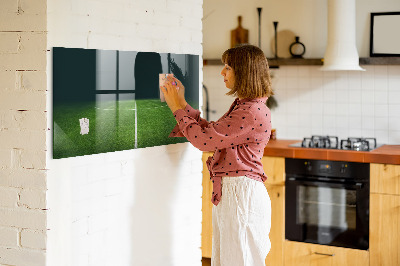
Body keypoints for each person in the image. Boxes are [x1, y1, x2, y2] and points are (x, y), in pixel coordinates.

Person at [161, 44, 273, 266]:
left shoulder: (250, 111)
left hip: (241, 195)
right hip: (236, 193)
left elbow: (204, 141)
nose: (222, 72)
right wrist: (182, 103)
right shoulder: (246, 106)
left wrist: (176, 108)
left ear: (244, 72)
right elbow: (212, 133)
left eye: (228, 67)